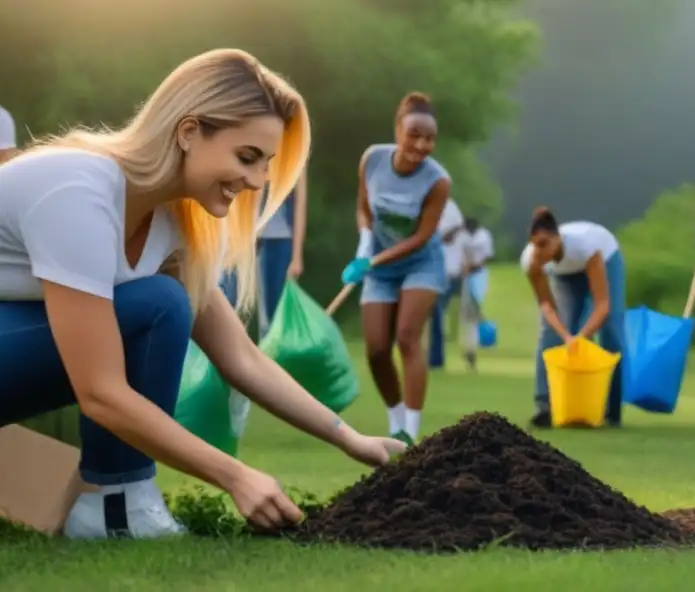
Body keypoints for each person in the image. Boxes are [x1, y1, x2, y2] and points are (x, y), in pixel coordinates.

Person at [0, 48, 405, 540]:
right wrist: (235, 477)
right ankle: (118, 504)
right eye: (247, 157)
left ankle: (115, 505)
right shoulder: (77, 190)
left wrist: (351, 440)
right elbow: (100, 391)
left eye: (266, 166)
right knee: (159, 304)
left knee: (163, 301)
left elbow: (242, 358)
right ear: (189, 131)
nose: (256, 182)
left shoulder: (170, 224)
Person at [341, 92, 450, 445]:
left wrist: (372, 260)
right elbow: (363, 208)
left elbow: (421, 237)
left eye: (429, 138)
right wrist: (364, 243)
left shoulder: (438, 181)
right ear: (397, 130)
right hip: (378, 265)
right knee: (375, 349)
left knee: (406, 336)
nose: (421, 144)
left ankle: (412, 435)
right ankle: (396, 421)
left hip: (421, 264)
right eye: (414, 134)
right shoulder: (372, 159)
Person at [521, 208, 625, 429]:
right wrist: (566, 335)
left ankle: (611, 411)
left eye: (544, 243)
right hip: (564, 274)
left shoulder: (585, 246)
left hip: (605, 258)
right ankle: (545, 405)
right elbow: (547, 307)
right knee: (549, 333)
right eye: (534, 244)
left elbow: (602, 305)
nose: (538, 251)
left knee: (611, 333)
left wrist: (581, 337)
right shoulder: (531, 261)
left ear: (557, 237)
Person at [219, 170, 308, 339]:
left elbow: (300, 205)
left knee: (272, 317)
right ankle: (230, 360)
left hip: (278, 241)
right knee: (230, 307)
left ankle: (269, 360)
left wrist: (297, 257)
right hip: (243, 239)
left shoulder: (296, 155)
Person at [428, 198, 466, 369]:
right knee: (434, 315)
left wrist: (436, 236)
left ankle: (436, 359)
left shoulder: (449, 205)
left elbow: (453, 230)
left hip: (446, 273)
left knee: (436, 313)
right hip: (432, 270)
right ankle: (433, 358)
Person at [459, 217, 495, 371]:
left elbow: (487, 257)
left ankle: (474, 347)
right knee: (468, 315)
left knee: (475, 310)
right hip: (465, 276)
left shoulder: (484, 236)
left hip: (479, 275)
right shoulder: (463, 236)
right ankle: (470, 348)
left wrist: (473, 266)